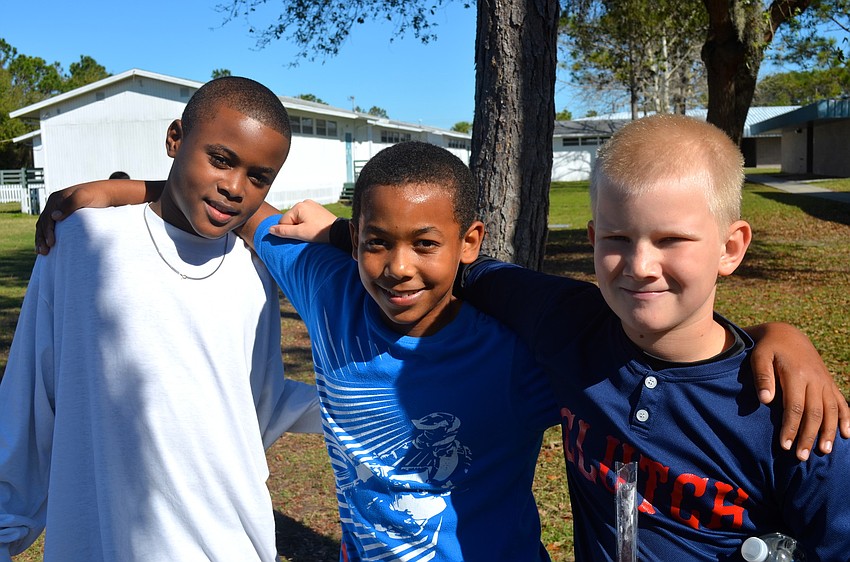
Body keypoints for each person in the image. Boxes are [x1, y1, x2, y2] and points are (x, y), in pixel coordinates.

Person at [34, 138, 848, 560]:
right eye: (375, 243)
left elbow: (650, 349)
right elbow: (236, 205)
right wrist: (130, 190)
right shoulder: (325, 282)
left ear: (469, 242)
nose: (395, 269)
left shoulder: (529, 352)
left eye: (424, 245)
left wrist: (772, 337)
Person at [452, 115, 850, 559]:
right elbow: (468, 270)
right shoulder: (564, 320)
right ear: (592, 238)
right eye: (617, 237)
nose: (639, 265)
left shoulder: (794, 417)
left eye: (672, 239)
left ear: (730, 248)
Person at [0, 76, 321, 562]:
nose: (235, 187)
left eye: (259, 177)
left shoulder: (257, 267)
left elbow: (258, 400)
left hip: (230, 544)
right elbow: (29, 400)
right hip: (98, 543)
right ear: (175, 139)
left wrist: (359, 411)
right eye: (220, 159)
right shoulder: (84, 242)